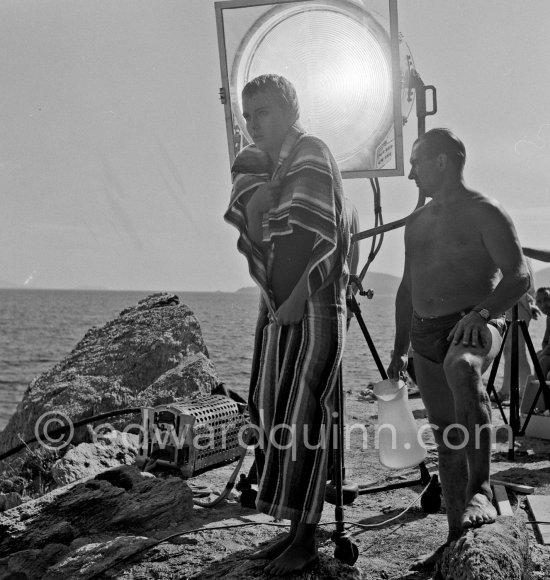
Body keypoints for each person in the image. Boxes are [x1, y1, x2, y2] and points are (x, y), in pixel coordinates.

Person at [387, 128, 530, 570]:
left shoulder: (485, 211)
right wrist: (398, 351)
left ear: (444, 161)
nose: (410, 173)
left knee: (463, 370)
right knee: (447, 437)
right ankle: (454, 538)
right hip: (425, 332)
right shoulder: (417, 222)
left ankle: (483, 489)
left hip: (474, 322)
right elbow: (407, 290)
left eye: (416, 162)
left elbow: (520, 275)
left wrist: (484, 313)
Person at [224, 74, 350, 575]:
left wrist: (299, 296)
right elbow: (261, 238)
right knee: (281, 414)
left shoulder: (312, 153)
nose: (255, 124)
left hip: (314, 303)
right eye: (248, 115)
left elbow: (329, 239)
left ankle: (308, 541)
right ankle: (292, 532)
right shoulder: (269, 168)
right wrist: (255, 198)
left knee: (309, 419)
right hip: (281, 306)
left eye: (265, 113)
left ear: (290, 111)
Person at [499, 258, 541, 401]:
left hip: (519, 306)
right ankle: (507, 390)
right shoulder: (514, 252)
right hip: (513, 306)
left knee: (518, 351)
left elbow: (522, 281)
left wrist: (528, 304)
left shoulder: (517, 254)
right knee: (510, 350)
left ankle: (525, 391)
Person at [535, 286, 550, 378]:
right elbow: (545, 342)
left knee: (543, 360)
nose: (543, 304)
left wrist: (543, 354)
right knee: (539, 355)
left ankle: (539, 392)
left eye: (547, 299)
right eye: (539, 302)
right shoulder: (549, 317)